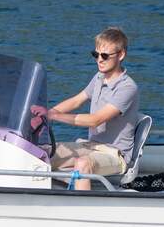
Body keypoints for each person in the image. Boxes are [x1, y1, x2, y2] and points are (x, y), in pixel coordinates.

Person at [47, 27, 139, 191]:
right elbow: (76, 100)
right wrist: (45, 113)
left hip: (114, 154)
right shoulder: (98, 78)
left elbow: (95, 119)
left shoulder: (127, 88)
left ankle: (81, 211)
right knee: (42, 152)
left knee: (82, 164)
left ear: (121, 55)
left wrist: (55, 116)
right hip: (90, 145)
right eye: (96, 55)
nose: (99, 60)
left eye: (105, 56)